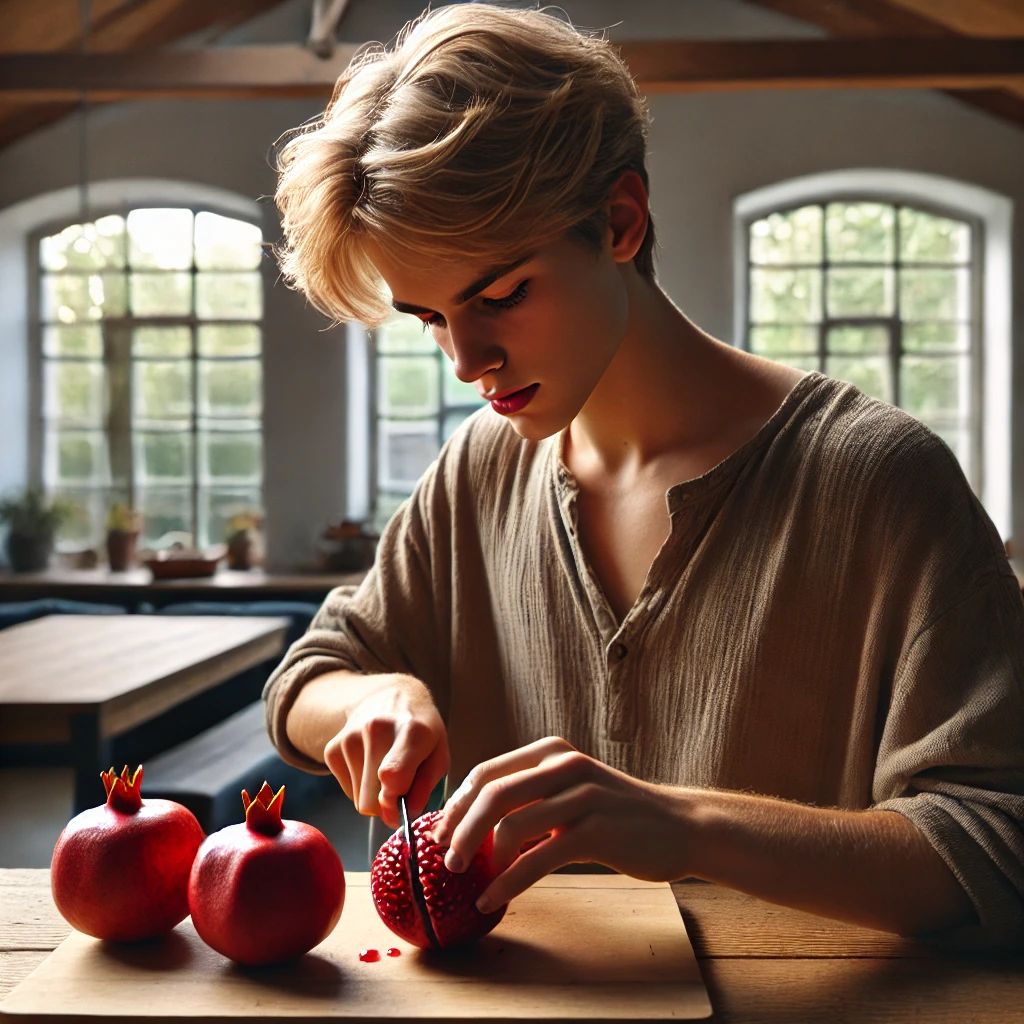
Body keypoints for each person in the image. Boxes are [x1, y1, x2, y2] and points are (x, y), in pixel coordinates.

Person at [265, 3, 1024, 949]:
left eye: (499, 295)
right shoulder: (478, 470)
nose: (465, 359)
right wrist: (373, 699)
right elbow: (307, 679)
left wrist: (689, 827)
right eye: (429, 317)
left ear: (620, 221)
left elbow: (997, 846)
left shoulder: (881, 482)